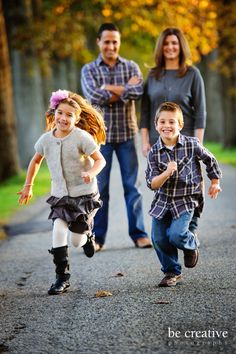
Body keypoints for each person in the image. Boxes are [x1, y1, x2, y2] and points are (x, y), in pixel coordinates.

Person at [18, 89, 106, 295]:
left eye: (69, 115)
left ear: (76, 119)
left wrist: (91, 173)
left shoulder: (82, 137)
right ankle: (61, 277)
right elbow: (35, 161)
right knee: (58, 230)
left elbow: (100, 160)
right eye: (60, 113)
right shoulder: (46, 140)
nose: (63, 118)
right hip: (60, 196)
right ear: (54, 113)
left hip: (83, 195)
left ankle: (87, 237)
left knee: (76, 241)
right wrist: (28, 186)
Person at [81, 23, 151, 251]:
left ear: (118, 43)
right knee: (100, 190)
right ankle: (97, 238)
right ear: (99, 42)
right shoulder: (89, 69)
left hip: (127, 136)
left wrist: (109, 88)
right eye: (107, 41)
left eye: (115, 42)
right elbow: (94, 97)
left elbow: (138, 91)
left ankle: (139, 235)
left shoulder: (131, 66)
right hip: (100, 140)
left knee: (133, 187)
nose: (111, 46)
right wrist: (123, 89)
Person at [145, 102, 222, 287]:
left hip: (186, 199)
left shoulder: (191, 144)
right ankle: (172, 272)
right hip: (163, 200)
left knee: (176, 235)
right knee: (159, 238)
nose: (167, 125)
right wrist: (166, 173)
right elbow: (151, 183)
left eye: (172, 122)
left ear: (180, 125)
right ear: (156, 125)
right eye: (162, 121)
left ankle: (191, 243)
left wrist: (215, 181)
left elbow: (210, 160)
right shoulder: (154, 153)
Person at [140, 27, 207, 235]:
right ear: (161, 47)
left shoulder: (192, 73)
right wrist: (145, 141)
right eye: (166, 43)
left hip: (186, 139)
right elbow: (144, 111)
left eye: (174, 44)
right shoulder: (153, 75)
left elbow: (201, 112)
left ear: (181, 47)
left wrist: (198, 143)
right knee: (164, 186)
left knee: (192, 182)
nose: (170, 47)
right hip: (159, 141)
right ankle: (172, 226)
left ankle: (191, 224)